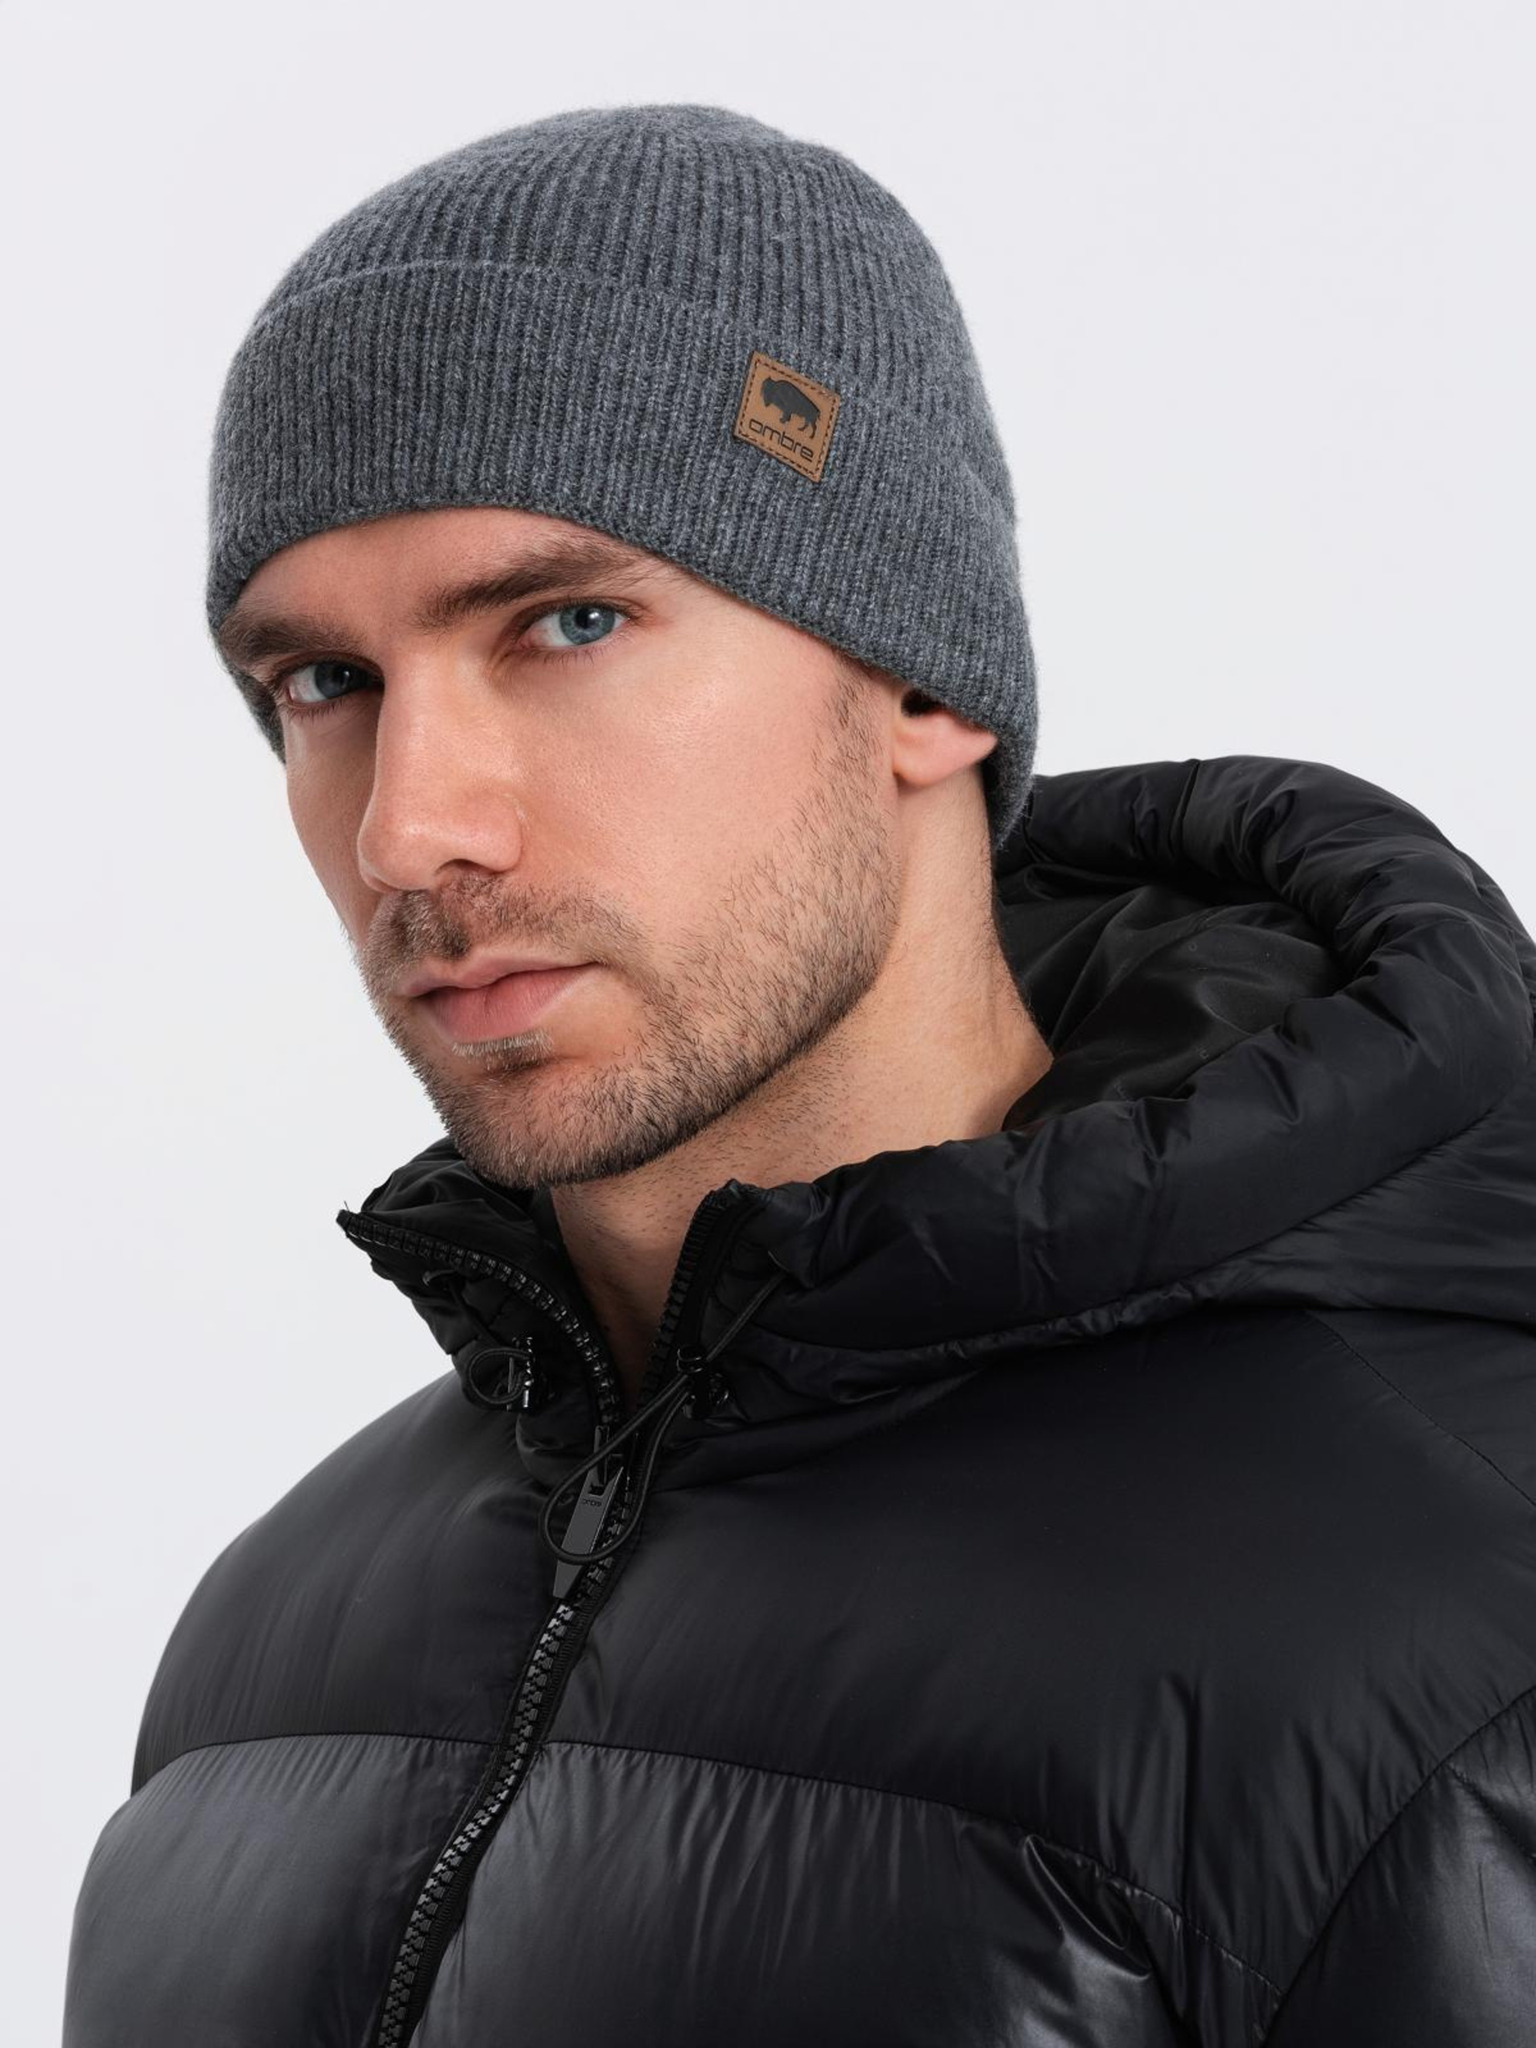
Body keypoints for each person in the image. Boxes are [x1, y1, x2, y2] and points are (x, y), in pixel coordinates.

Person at [63, 101, 1536, 2048]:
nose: (409, 829)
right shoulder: (257, 1661)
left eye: (568, 622)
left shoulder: (1450, 1638)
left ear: (924, 680)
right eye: (325, 683)